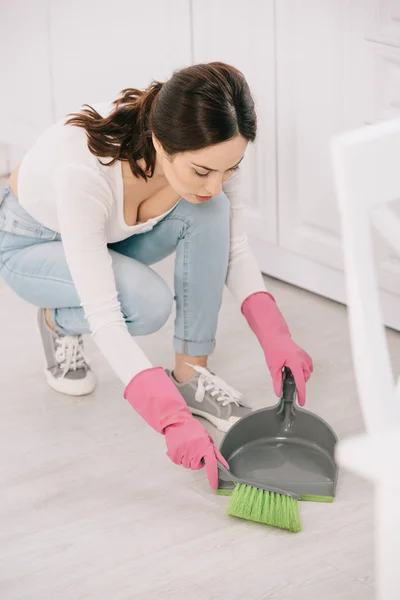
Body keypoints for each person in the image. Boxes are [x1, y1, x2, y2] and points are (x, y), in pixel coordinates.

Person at [0, 62, 313, 489]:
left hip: (105, 237)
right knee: (145, 303)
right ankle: (57, 321)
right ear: (161, 143)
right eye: (203, 171)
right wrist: (168, 420)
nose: (217, 182)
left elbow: (234, 248)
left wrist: (276, 336)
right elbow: (107, 316)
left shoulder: (212, 154)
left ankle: (191, 376)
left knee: (210, 209)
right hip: (30, 243)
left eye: (230, 169)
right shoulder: (82, 175)